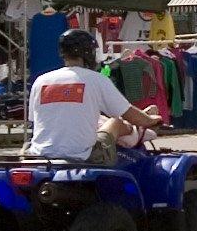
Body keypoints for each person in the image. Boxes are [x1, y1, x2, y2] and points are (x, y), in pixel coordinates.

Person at [24, 30, 140, 164]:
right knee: (116, 122)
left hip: (40, 155)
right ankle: (133, 131)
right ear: (88, 53)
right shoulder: (96, 79)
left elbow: (35, 120)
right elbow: (128, 114)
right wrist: (152, 120)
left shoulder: (41, 81)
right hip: (83, 156)